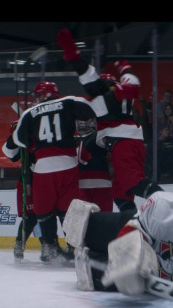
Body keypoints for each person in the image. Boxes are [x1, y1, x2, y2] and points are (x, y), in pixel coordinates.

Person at [57, 28, 163, 213]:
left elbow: (87, 75)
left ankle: (167, 206)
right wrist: (122, 65)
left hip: (122, 141)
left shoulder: (102, 99)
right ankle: (133, 226)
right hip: (129, 140)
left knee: (133, 182)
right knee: (121, 195)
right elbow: (132, 80)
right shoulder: (122, 91)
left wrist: (73, 57)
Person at [4, 80, 96, 263]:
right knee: (67, 209)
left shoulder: (29, 114)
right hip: (69, 164)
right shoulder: (70, 101)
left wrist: (25, 135)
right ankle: (73, 246)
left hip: (43, 168)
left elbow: (11, 149)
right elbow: (89, 113)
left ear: (39, 96)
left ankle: (49, 248)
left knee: (43, 211)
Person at [2, 120, 38, 262]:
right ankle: (19, 244)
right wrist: (16, 134)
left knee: (49, 214)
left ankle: (49, 244)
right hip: (27, 182)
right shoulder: (21, 142)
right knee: (30, 216)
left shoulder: (40, 136)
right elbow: (10, 152)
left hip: (45, 179)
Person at [76, 119, 113, 213]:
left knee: (80, 223)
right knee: (104, 219)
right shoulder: (98, 135)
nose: (83, 122)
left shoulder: (69, 139)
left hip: (79, 184)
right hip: (100, 182)